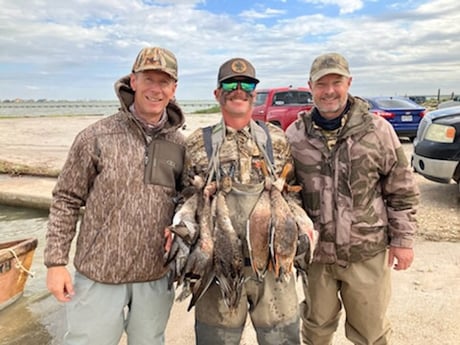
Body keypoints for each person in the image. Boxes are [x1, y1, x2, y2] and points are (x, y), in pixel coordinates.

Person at [44, 46, 186, 345]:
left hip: (155, 274)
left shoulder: (180, 144)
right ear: (133, 81)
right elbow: (66, 199)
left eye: (164, 81)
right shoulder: (95, 136)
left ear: (173, 89)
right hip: (98, 273)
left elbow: (187, 201)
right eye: (149, 79)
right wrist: (56, 263)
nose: (155, 89)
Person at [285, 52, 419, 344]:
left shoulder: (378, 130)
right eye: (322, 84)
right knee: (316, 328)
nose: (329, 90)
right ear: (310, 86)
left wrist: (402, 241)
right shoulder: (295, 135)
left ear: (349, 83)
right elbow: (287, 194)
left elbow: (402, 188)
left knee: (371, 332)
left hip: (366, 252)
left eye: (336, 82)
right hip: (317, 256)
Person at [176, 57, 303, 345]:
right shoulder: (197, 143)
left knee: (283, 340)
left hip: (273, 269)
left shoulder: (276, 139)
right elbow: (185, 200)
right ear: (217, 93)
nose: (238, 89)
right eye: (229, 84)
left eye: (246, 84)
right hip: (216, 269)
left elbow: (293, 195)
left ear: (254, 93)